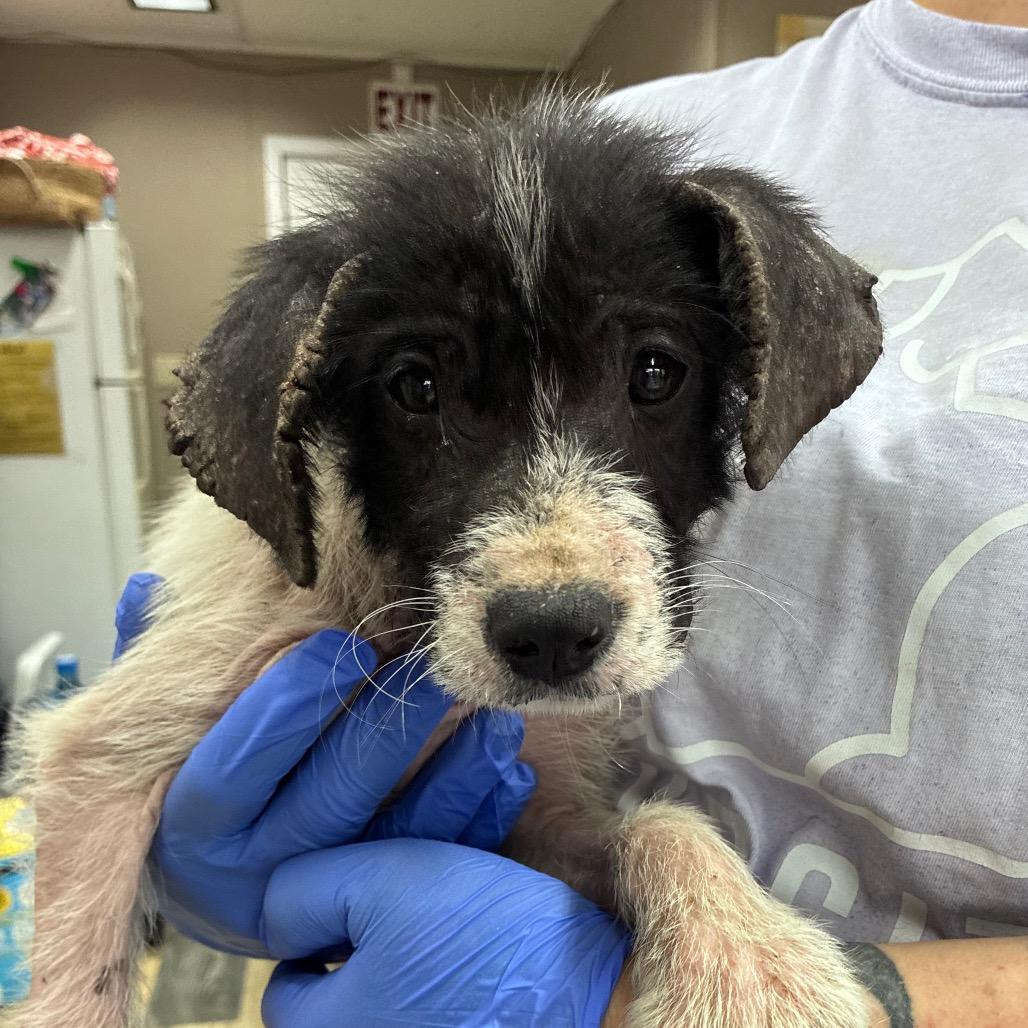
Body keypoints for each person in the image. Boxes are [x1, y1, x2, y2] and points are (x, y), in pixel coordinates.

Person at [139, 0, 1026, 1024]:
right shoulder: (619, 147)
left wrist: (867, 1003)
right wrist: (201, 848)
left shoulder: (715, 228)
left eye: (653, 373)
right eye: (420, 390)